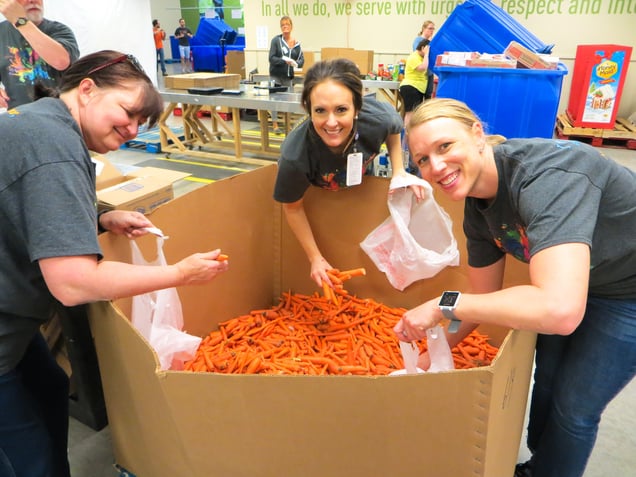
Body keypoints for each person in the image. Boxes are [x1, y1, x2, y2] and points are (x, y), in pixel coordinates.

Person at [0, 49, 230, 477]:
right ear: (86, 89)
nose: (132, 129)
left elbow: (32, 201)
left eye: (142, 122)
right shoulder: (53, 144)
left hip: (14, 316)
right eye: (126, 111)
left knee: (49, 387)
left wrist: (100, 213)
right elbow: (72, 283)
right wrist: (179, 274)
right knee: (25, 454)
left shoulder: (42, 121)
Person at [394, 98, 636, 477]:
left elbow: (559, 310)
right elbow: (481, 301)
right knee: (548, 380)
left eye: (445, 146)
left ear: (477, 134)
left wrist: (443, 305)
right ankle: (543, 463)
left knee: (575, 406)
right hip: (577, 275)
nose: (435, 167)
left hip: (629, 289)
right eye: (422, 159)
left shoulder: (548, 177)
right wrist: (427, 359)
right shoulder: (477, 206)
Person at [273, 59, 425, 287]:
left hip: (360, 184)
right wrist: (315, 258)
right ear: (308, 109)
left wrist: (399, 171)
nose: (331, 122)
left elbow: (394, 129)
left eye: (341, 110)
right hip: (318, 198)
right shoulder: (295, 156)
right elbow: (293, 208)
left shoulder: (378, 119)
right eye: (320, 111)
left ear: (357, 108)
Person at [0, 0, 79, 109]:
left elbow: (61, 61)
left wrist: (20, 21)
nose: (32, 1)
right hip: (18, 117)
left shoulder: (59, 30)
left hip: (59, 116)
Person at [268, 15, 304, 134]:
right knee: (274, 101)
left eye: (287, 24)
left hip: (288, 77)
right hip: (276, 76)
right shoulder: (276, 41)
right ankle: (275, 125)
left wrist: (295, 63)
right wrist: (284, 61)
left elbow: (301, 60)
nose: (285, 27)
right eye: (283, 25)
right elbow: (271, 58)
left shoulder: (296, 44)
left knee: (288, 101)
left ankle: (287, 125)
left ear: (291, 26)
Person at [399, 39, 430, 126]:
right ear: (423, 48)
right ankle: (407, 134)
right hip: (411, 87)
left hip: (417, 88)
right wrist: (427, 54)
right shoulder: (414, 57)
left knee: (415, 113)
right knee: (410, 113)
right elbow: (422, 68)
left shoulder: (421, 57)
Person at [411, 20, 435, 100]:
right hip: (421, 73)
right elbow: (418, 55)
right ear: (424, 29)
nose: (432, 31)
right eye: (430, 28)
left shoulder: (431, 42)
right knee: (420, 98)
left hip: (429, 72)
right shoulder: (418, 41)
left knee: (428, 96)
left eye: (433, 29)